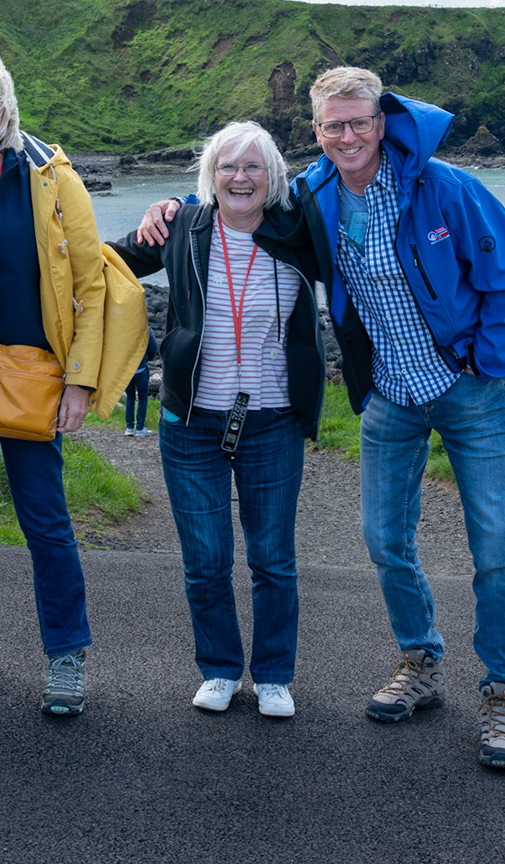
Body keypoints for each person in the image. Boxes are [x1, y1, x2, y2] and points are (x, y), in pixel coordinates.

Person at [136, 68, 505, 768]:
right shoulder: (314, 197)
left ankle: (502, 692)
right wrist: (172, 206)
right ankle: (421, 662)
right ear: (315, 132)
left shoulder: (444, 187)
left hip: (468, 392)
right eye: (332, 125)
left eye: (359, 122)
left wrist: (486, 362)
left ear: (381, 122)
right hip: (389, 394)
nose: (347, 135)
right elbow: (236, 207)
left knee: (495, 547)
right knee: (385, 541)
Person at [0, 41, 141, 716]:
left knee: (45, 518)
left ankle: (67, 653)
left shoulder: (50, 174)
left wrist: (80, 381)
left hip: (32, 374)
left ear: (6, 100)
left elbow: (90, 283)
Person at [109, 122, 324, 718]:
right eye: (228, 166)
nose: (240, 177)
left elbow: (357, 240)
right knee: (206, 560)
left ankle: (275, 673)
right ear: (210, 174)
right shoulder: (181, 226)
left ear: (273, 176)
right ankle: (221, 669)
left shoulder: (298, 228)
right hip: (189, 421)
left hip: (273, 420)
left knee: (272, 559)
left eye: (254, 167)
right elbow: (106, 261)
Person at [123, 331, 159, 436]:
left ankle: (129, 427)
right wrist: (148, 358)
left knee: (130, 397)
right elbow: (153, 347)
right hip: (141, 368)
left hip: (127, 369)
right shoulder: (146, 328)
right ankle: (140, 428)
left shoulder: (125, 327)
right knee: (143, 398)